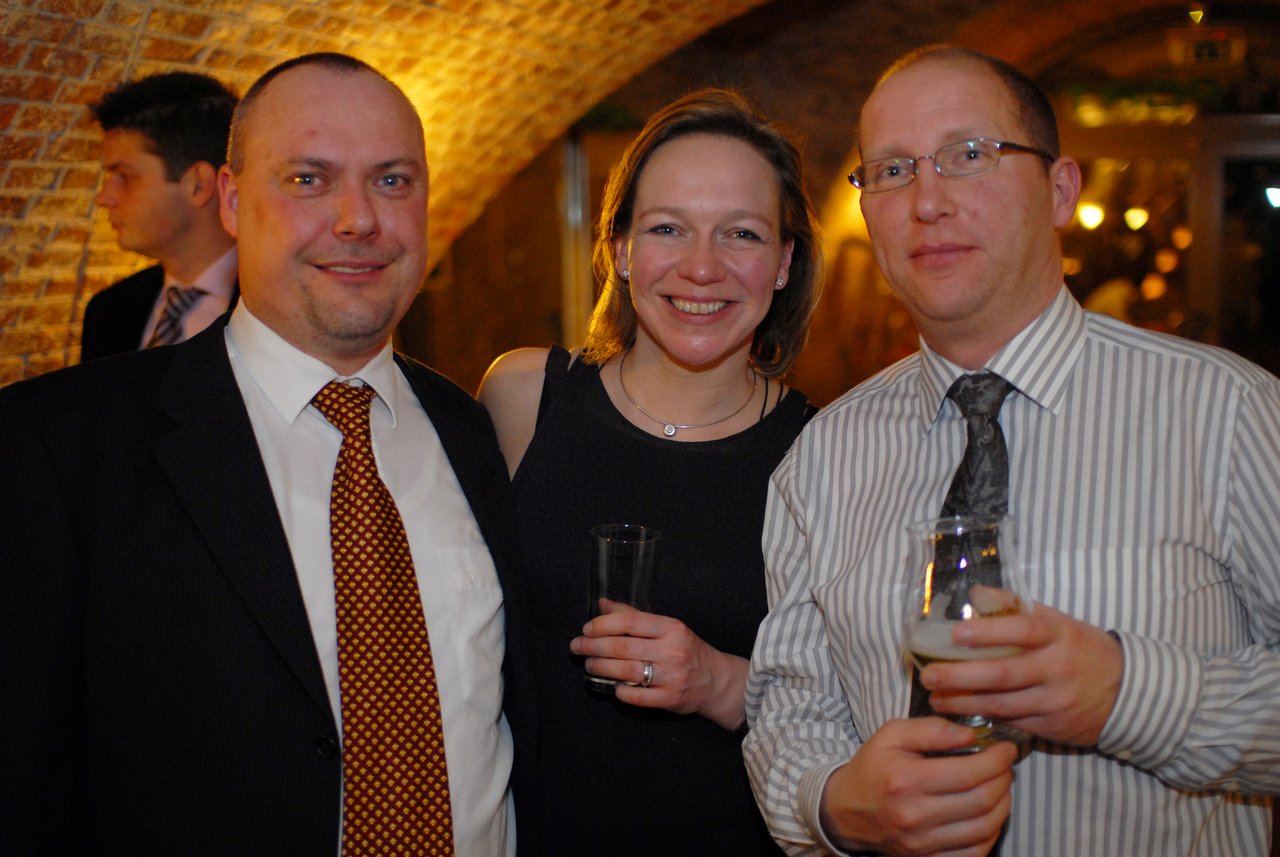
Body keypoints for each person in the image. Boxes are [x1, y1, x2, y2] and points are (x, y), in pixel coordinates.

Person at [744, 44, 1280, 857]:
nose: (927, 201)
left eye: (969, 155)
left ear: (1059, 188)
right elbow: (789, 703)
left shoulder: (1229, 413)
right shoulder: (821, 457)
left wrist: (1129, 694)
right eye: (890, 171)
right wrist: (833, 801)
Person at [1, 52, 533, 856]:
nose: (358, 219)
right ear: (230, 198)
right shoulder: (63, 446)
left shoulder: (472, 432)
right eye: (309, 179)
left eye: (393, 180)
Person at [478, 88, 821, 857]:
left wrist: (718, 680)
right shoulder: (523, 398)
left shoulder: (825, 453)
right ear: (622, 249)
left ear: (782, 264)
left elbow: (857, 711)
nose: (702, 267)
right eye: (669, 228)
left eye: (741, 233)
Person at [81, 71, 239, 362]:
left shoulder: (277, 308)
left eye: (124, 176)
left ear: (199, 184)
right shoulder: (110, 310)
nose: (104, 198)